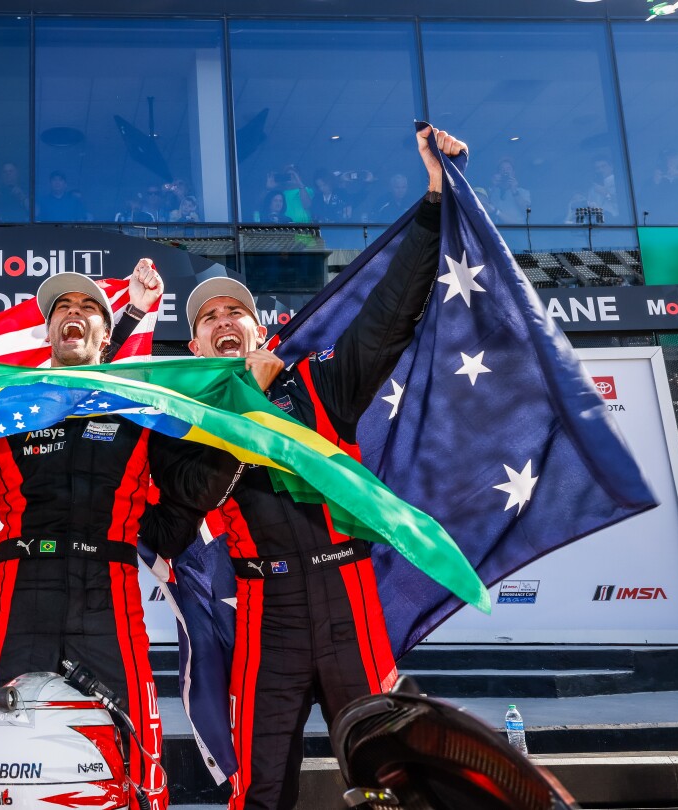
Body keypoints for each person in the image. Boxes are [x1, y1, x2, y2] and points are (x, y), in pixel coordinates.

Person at [173, 126, 466, 810]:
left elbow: (392, 312)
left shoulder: (318, 385)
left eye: (234, 314)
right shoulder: (184, 417)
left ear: (258, 330)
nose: (222, 322)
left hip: (346, 596)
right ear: (194, 343)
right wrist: (240, 418)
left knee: (389, 783)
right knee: (259, 788)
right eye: (208, 317)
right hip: (260, 610)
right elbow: (187, 497)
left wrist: (433, 198)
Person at [0, 264, 219, 810]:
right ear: (48, 331)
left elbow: (196, 485)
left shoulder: (138, 405)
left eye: (87, 309)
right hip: (22, 594)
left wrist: (232, 414)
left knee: (135, 744)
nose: (74, 315)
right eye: (63, 308)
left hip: (106, 593)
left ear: (106, 336)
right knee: (3, 740)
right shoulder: (10, 405)